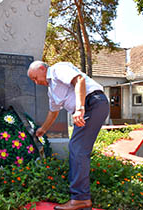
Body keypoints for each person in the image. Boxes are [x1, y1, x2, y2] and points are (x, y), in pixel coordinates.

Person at [27, 61, 109, 210]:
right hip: (89, 107)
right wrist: (43, 130)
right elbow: (53, 112)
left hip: (92, 103)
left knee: (77, 148)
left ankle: (80, 199)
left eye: (34, 78)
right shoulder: (51, 90)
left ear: (41, 68)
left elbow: (79, 80)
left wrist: (80, 108)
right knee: (77, 148)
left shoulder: (58, 69)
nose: (36, 82)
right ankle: (81, 199)